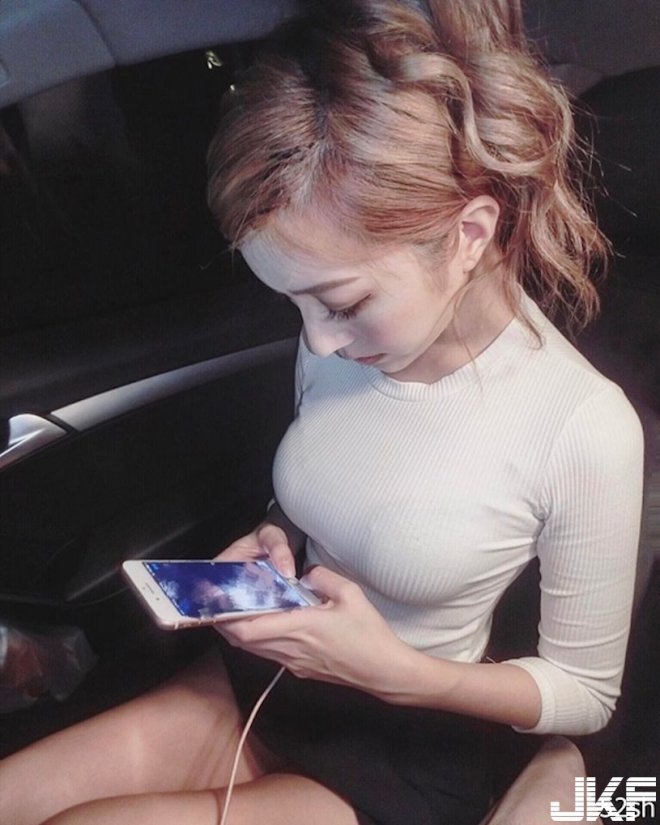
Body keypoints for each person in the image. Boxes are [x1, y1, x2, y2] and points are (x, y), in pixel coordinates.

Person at [0, 1, 644, 824]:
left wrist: (395, 672)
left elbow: (585, 693)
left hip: (401, 739)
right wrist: (275, 537)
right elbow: (334, 479)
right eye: (296, 302)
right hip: (271, 678)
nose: (318, 340)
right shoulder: (348, 342)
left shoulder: (582, 426)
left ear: (469, 234)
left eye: (342, 302)